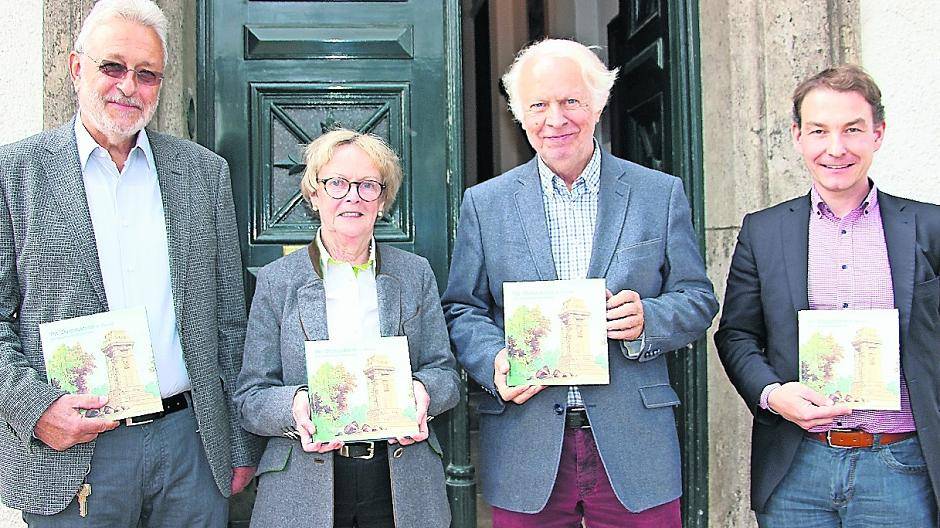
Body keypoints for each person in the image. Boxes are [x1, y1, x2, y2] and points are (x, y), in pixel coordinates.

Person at [0, 0, 262, 525]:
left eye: (147, 74)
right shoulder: (15, 173)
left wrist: (238, 443)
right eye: (112, 66)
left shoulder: (203, 173)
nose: (128, 86)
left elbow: (230, 321)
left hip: (190, 446)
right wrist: (34, 409)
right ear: (76, 68)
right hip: (74, 452)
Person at [441, 39, 718, 527]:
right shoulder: (485, 204)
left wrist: (648, 318)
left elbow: (698, 299)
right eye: (538, 105)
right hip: (526, 445)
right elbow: (462, 309)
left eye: (571, 100)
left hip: (635, 443)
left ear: (598, 103)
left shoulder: (658, 193)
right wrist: (495, 360)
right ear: (519, 115)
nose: (556, 119)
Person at [715, 64, 940, 526]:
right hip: (796, 468)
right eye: (819, 130)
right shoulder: (763, 231)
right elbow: (736, 334)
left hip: (902, 467)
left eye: (852, 129)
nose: (835, 148)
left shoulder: (931, 226)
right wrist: (772, 395)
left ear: (878, 134)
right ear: (798, 136)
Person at [235, 128, 460, 528]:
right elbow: (250, 398)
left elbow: (445, 375)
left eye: (368, 185)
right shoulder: (277, 281)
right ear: (314, 194)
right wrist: (296, 406)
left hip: (400, 482)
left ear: (383, 200)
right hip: (303, 484)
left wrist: (423, 392)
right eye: (337, 183)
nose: (352, 196)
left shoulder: (415, 274)